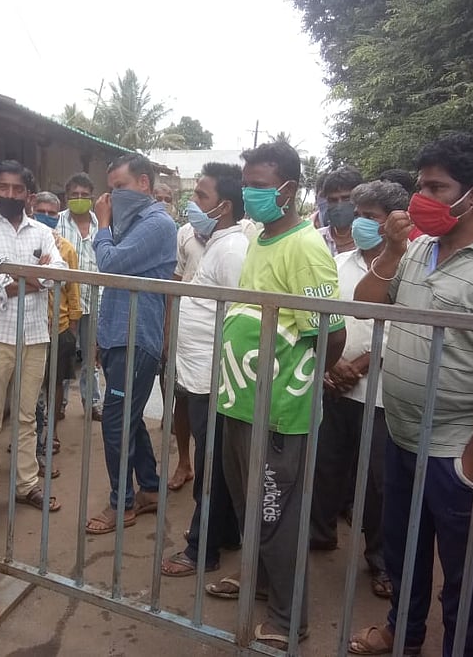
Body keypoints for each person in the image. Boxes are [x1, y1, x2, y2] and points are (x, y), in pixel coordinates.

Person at [349, 133, 473, 656]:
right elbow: (368, 305)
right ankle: (403, 634)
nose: (422, 198)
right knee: (404, 550)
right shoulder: (416, 250)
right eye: (421, 185)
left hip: (458, 448)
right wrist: (391, 249)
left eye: (437, 187)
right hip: (404, 434)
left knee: (464, 567)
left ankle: (463, 647)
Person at [209, 141, 347, 651]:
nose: (250, 193)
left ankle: (290, 621)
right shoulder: (261, 240)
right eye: (246, 184)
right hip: (242, 401)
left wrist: (297, 390)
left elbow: (330, 335)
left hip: (279, 411)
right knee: (251, 508)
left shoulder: (305, 248)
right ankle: (260, 584)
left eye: (261, 185)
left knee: (276, 516)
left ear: (289, 189)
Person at [309, 180, 409, 601]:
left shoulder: (410, 268)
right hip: (335, 383)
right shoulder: (340, 262)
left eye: (372, 216)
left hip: (382, 391)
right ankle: (319, 534)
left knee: (378, 482)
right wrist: (330, 366)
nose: (362, 222)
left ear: (395, 222)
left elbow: (407, 325)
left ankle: (381, 560)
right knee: (326, 464)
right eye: (360, 213)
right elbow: (324, 315)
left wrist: (364, 363)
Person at [159, 162, 247, 577]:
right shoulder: (212, 242)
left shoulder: (232, 250)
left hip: (214, 377)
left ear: (224, 205)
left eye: (201, 196)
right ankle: (224, 535)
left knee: (211, 467)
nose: (192, 203)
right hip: (198, 374)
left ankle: (201, 549)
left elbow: (240, 315)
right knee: (216, 462)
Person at [0, 160, 66, 511]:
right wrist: (33, 278)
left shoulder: (40, 231)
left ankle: (27, 484)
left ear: (28, 195)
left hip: (35, 335)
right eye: (3, 188)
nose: (9, 194)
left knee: (26, 416)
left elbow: (58, 274)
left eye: (17, 189)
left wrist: (13, 279)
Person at [85, 154, 176, 535]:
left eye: (120, 187)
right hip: (118, 334)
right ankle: (151, 488)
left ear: (143, 184)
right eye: (110, 189)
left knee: (116, 423)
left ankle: (121, 504)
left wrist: (102, 224)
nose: (112, 196)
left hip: (137, 337)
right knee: (129, 416)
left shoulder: (157, 224)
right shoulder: (133, 223)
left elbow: (109, 263)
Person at [32, 192, 81, 474]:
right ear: (32, 208)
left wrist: (73, 324)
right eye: (41, 210)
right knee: (30, 385)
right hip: (30, 326)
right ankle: (30, 436)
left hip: (59, 325)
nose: (46, 215)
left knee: (55, 383)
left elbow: (73, 288)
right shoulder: (24, 242)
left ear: (58, 214)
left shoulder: (66, 249)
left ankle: (51, 431)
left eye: (52, 212)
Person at [55, 172, 103, 421]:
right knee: (63, 355)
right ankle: (59, 404)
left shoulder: (103, 225)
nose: (80, 199)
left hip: (95, 301)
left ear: (92, 198)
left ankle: (92, 403)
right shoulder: (56, 223)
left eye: (85, 195)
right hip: (64, 304)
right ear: (66, 197)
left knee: (91, 357)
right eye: (75, 195)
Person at [165, 210, 206, 493]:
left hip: (218, 335)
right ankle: (184, 463)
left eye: (204, 198)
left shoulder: (243, 234)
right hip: (185, 332)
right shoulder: (186, 233)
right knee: (182, 399)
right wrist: (169, 331)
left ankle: (208, 472)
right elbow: (174, 283)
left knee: (211, 409)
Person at [318, 166, 362, 255]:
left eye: (346, 199)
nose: (339, 205)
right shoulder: (316, 239)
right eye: (333, 200)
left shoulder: (371, 238)